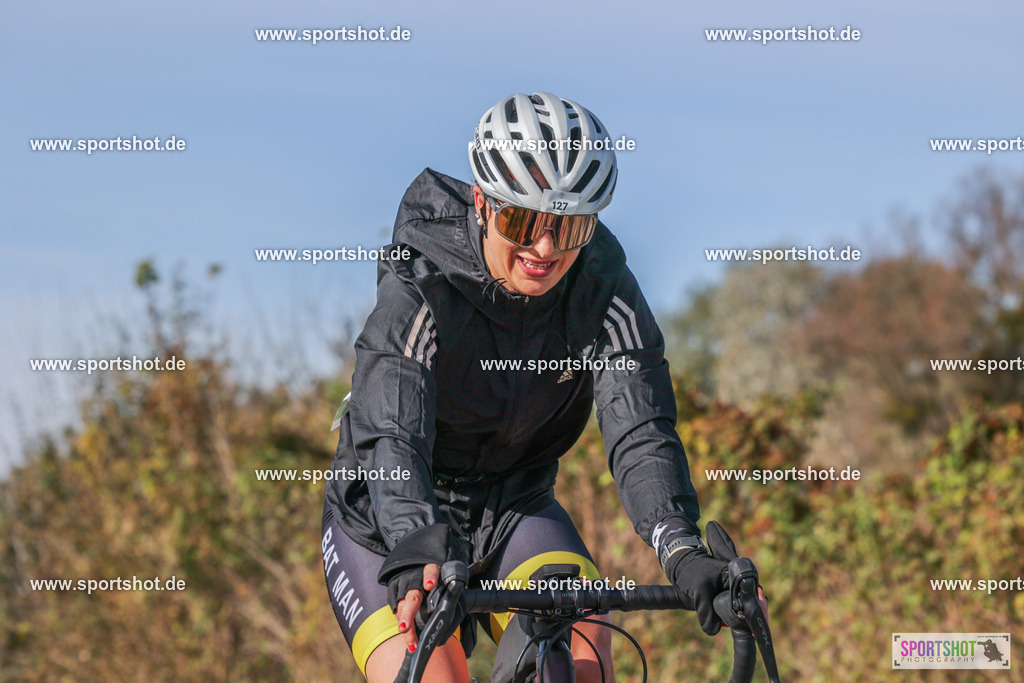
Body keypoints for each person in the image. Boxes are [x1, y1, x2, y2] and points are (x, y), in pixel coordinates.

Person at [321, 92, 746, 682]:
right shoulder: (422, 284)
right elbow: (392, 431)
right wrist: (413, 537)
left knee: (583, 656)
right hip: (385, 516)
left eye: (569, 227)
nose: (545, 249)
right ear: (483, 203)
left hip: (514, 506)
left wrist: (681, 548)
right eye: (522, 222)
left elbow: (641, 431)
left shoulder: (604, 292)